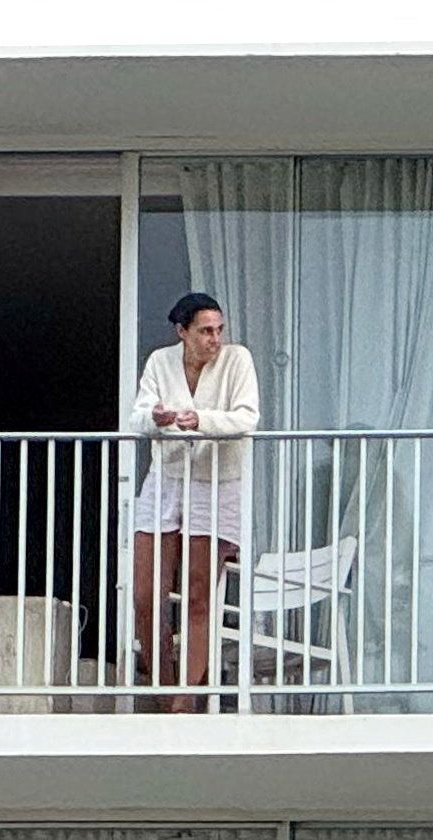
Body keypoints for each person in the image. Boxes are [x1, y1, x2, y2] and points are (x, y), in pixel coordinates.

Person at [126, 290, 262, 711]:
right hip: (165, 478)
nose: (214, 339)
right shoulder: (159, 362)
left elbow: (247, 417)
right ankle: (162, 689)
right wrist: (157, 418)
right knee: (146, 593)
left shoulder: (237, 359)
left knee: (201, 593)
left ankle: (183, 699)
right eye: (205, 331)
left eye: (219, 330)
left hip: (217, 481)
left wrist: (199, 419)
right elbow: (138, 415)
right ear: (181, 332)